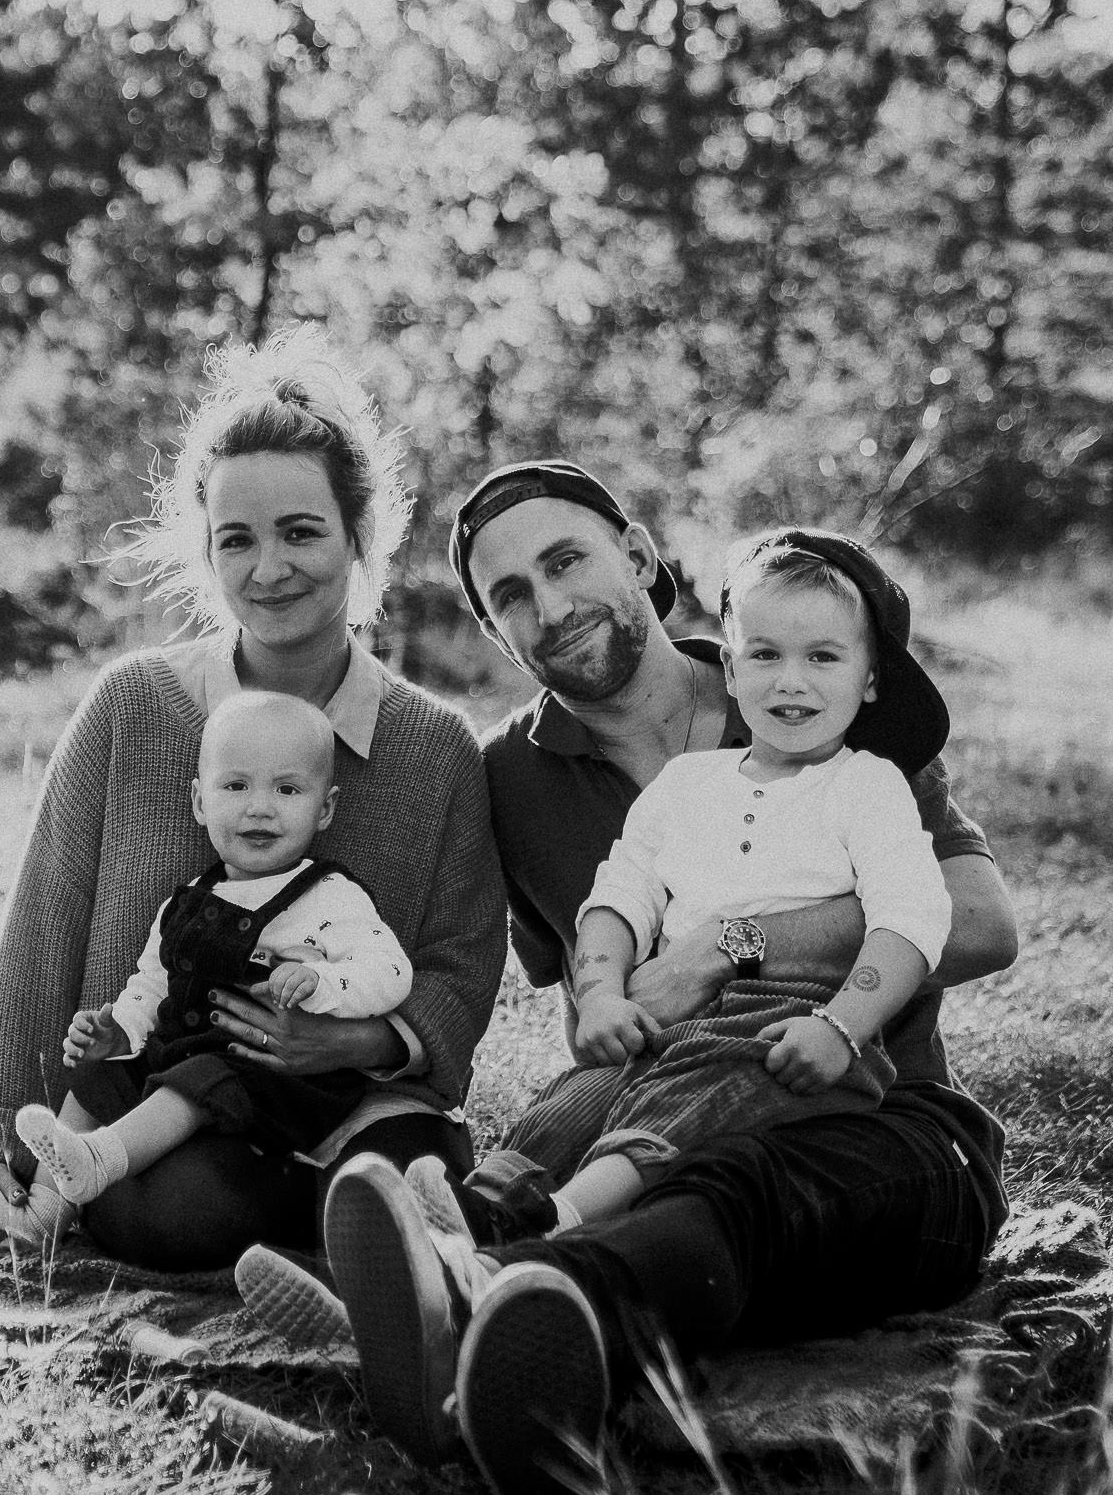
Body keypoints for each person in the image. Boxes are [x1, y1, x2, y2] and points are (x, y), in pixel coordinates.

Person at [294, 460, 1018, 1489]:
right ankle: (489, 1301)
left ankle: (496, 1300)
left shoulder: (800, 681)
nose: (548, 606)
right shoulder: (512, 778)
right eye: (511, 596)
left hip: (885, 1123)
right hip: (669, 1127)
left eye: (565, 561)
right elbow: (552, 980)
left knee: (740, 1186)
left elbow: (984, 922)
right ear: (497, 634)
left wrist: (729, 946)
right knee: (644, 1163)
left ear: (635, 553)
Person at [0, 328, 506, 1271]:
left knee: (409, 1171)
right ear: (205, 550)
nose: (268, 567)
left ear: (361, 536)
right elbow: (43, 934)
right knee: (182, 1213)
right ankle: (338, 1251)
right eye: (236, 539)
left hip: (353, 1106)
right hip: (158, 1111)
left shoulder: (435, 747)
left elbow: (460, 966)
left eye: (301, 531)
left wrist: (353, 1038)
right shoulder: (134, 707)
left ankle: (396, 1266)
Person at [415, 530, 954, 1245]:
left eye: (823, 658)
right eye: (764, 656)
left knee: (685, 1105)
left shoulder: (867, 786)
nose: (791, 681)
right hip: (672, 1029)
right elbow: (620, 896)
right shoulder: (686, 786)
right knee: (571, 1103)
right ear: (730, 670)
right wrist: (603, 992)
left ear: (871, 678)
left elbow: (911, 919)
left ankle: (556, 1226)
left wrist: (844, 1026)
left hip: (789, 1029)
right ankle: (460, 1223)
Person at [0, 690, 414, 1218]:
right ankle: (45, 1212)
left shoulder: (329, 896)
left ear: (325, 808)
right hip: (184, 1061)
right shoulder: (187, 899)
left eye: (287, 789)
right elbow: (151, 984)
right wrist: (119, 1031)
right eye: (235, 786)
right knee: (98, 1079)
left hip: (277, 1083)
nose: (259, 807)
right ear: (200, 801)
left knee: (201, 1077)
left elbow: (391, 971)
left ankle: (100, 1160)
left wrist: (322, 985)